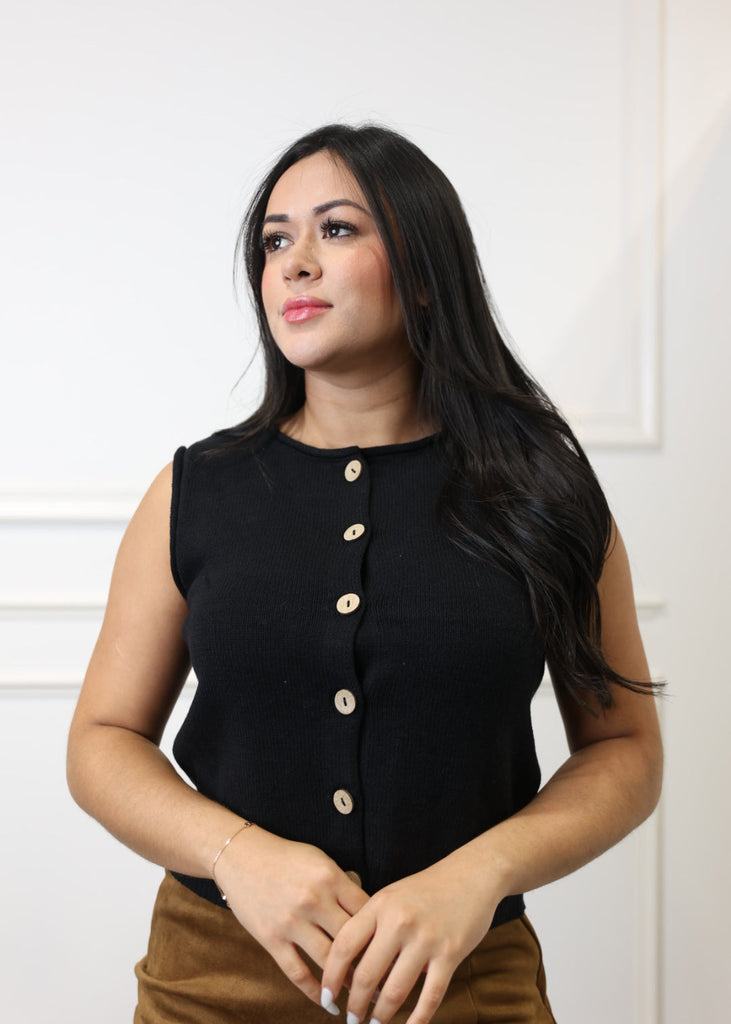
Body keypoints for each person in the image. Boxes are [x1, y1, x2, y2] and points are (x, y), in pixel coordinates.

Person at [67, 123, 663, 1024]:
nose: (295, 262)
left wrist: (477, 875)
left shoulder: (543, 488)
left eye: (337, 230)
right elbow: (102, 739)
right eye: (275, 241)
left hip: (464, 984)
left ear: (423, 270)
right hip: (211, 985)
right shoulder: (195, 490)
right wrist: (236, 855)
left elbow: (624, 752)